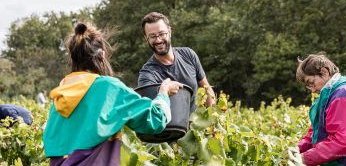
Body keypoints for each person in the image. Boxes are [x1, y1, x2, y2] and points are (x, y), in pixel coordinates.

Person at [42, 22, 182, 166]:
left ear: (73, 58)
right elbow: (155, 120)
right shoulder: (108, 88)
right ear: (102, 55)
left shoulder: (61, 93)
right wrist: (163, 93)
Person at [288, 53, 346, 166]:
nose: (312, 90)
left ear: (324, 72)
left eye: (311, 83)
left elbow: (344, 141)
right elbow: (315, 133)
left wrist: (305, 158)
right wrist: (298, 149)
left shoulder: (344, 94)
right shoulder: (326, 98)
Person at [138, 12, 216, 113]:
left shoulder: (188, 55)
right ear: (146, 38)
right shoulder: (147, 74)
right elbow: (151, 112)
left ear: (169, 32)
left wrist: (213, 120)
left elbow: (206, 87)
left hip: (197, 127)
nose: (158, 40)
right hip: (171, 127)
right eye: (152, 36)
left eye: (162, 34)